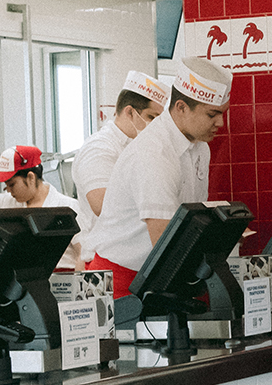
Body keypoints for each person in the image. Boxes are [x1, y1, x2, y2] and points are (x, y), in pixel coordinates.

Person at [85, 57, 226, 296]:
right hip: (122, 280)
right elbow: (164, 238)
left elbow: (193, 217)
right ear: (181, 107)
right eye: (212, 114)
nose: (220, 122)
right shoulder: (153, 153)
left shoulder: (200, 146)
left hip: (159, 270)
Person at [71, 71, 168, 259]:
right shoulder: (99, 148)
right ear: (130, 112)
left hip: (131, 256)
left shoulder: (141, 145)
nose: (156, 125)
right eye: (151, 117)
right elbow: (102, 205)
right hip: (104, 258)